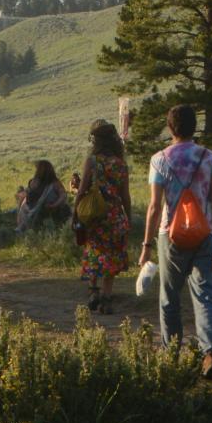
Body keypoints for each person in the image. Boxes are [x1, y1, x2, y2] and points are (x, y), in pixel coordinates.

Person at [136, 104, 212, 379]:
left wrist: (146, 245)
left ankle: (171, 352)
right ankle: (210, 352)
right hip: (204, 233)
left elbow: (154, 206)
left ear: (170, 127)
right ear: (193, 126)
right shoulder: (209, 157)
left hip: (171, 235)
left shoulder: (160, 160)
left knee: (169, 296)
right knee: (206, 295)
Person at [77, 119, 131, 313]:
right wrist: (129, 218)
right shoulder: (120, 164)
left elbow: (82, 189)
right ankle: (107, 298)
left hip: (95, 215)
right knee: (112, 255)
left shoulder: (92, 162)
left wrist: (76, 212)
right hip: (115, 215)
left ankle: (93, 292)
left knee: (94, 252)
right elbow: (125, 196)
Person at [15, 159, 69, 232]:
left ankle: (22, 226)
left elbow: (63, 195)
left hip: (39, 210)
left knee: (24, 203)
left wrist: (54, 205)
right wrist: (55, 205)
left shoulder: (38, 182)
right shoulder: (53, 182)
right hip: (42, 209)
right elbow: (63, 195)